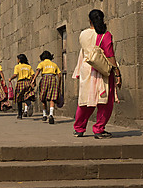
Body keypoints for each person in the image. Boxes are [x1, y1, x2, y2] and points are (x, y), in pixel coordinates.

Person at [72, 9, 122, 138]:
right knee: (104, 101)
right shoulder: (105, 35)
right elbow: (110, 55)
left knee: (85, 100)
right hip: (102, 70)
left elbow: (83, 52)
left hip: (87, 69)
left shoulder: (83, 34)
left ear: (89, 20)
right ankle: (99, 129)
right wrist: (117, 72)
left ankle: (79, 128)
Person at [30, 51, 62, 124]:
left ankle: (44, 114)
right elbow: (59, 75)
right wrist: (59, 84)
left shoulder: (42, 63)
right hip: (53, 79)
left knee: (43, 97)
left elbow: (38, 71)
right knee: (52, 98)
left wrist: (34, 79)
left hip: (44, 79)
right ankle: (51, 114)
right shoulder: (54, 64)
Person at [9, 53, 34, 119]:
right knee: (27, 95)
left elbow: (15, 74)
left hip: (21, 82)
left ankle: (19, 114)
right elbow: (32, 75)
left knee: (19, 98)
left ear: (19, 60)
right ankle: (29, 104)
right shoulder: (29, 67)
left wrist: (10, 78)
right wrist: (33, 82)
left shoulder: (17, 66)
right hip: (28, 82)